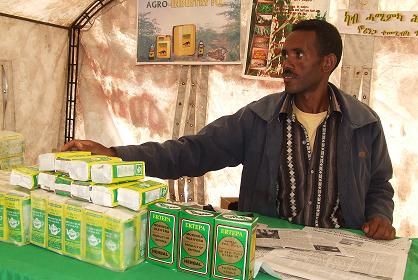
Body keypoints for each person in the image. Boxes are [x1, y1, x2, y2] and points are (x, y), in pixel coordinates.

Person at [62, 19, 395, 240]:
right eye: (284, 54)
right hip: (271, 252)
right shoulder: (258, 118)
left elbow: (379, 183)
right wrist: (115, 155)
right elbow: (191, 152)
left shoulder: (364, 123)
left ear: (327, 62)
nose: (287, 63)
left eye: (298, 54)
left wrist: (380, 215)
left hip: (340, 249)